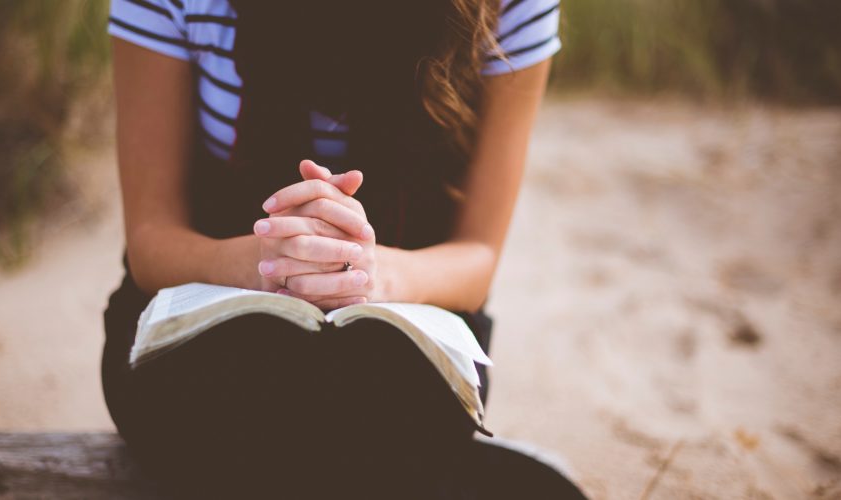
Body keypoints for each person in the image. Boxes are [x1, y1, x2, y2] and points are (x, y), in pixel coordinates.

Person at [101, 0, 587, 497]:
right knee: (244, 402)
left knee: (379, 407)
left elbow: (477, 254)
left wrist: (367, 274)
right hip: (207, 321)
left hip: (406, 329)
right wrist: (266, 263)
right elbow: (150, 240)